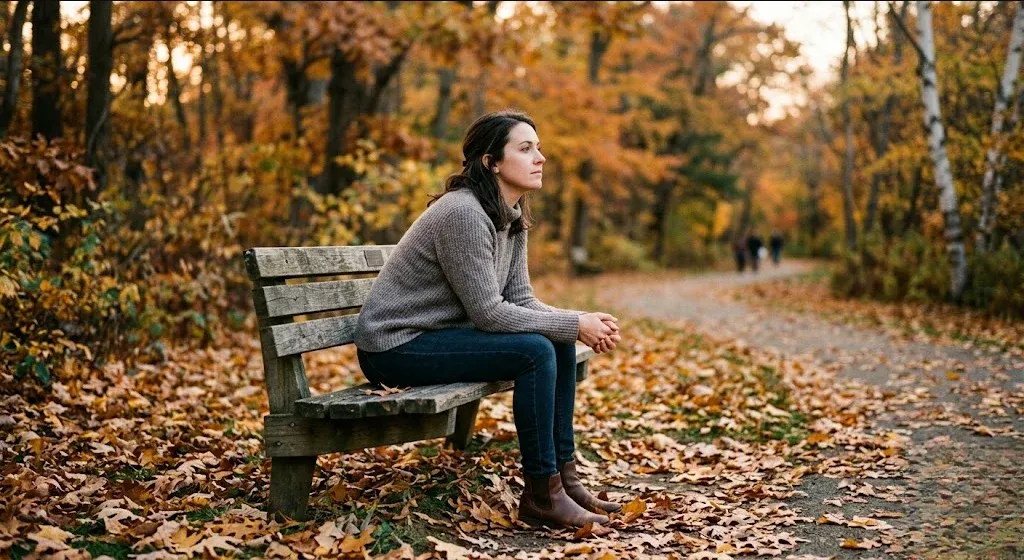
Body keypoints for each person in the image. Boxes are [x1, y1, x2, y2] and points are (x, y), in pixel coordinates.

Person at [354, 110, 624, 529]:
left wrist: (577, 320)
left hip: (437, 337)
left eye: (539, 148)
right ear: (491, 162)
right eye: (525, 148)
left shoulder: (511, 217)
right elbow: (489, 313)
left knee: (556, 341)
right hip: (394, 346)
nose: (541, 158)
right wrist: (574, 324)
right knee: (535, 350)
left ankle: (564, 482)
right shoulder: (462, 213)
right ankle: (542, 495)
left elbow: (520, 299)